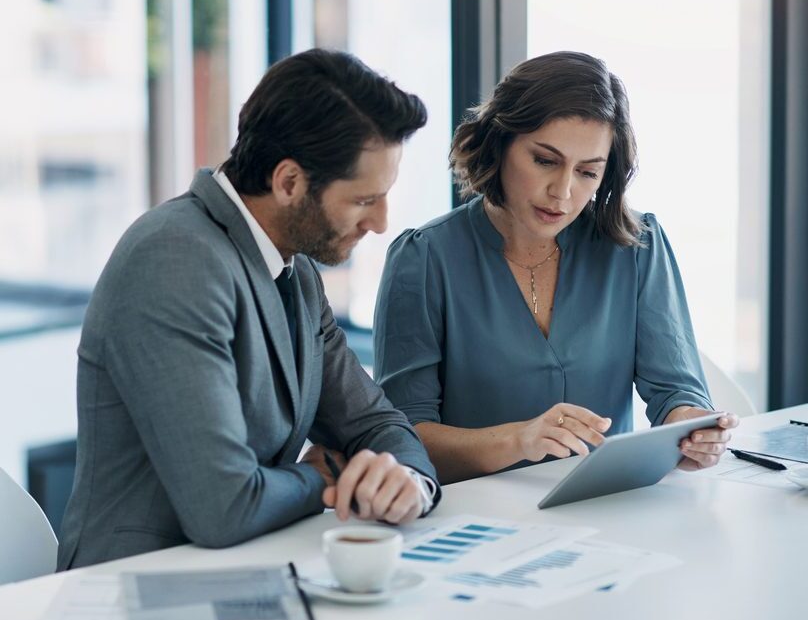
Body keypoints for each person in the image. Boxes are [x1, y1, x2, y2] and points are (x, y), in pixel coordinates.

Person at [58, 49, 440, 570]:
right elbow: (224, 506)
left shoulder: (296, 271)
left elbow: (375, 422)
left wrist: (406, 481)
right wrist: (326, 477)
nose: (381, 223)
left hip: (250, 573)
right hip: (139, 592)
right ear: (288, 182)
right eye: (363, 200)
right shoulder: (173, 259)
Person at [373, 51, 737, 484]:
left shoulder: (636, 247)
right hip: (473, 518)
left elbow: (676, 390)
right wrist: (518, 439)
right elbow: (401, 438)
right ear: (500, 143)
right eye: (545, 160)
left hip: (604, 507)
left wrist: (693, 427)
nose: (562, 192)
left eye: (587, 172)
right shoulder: (424, 259)